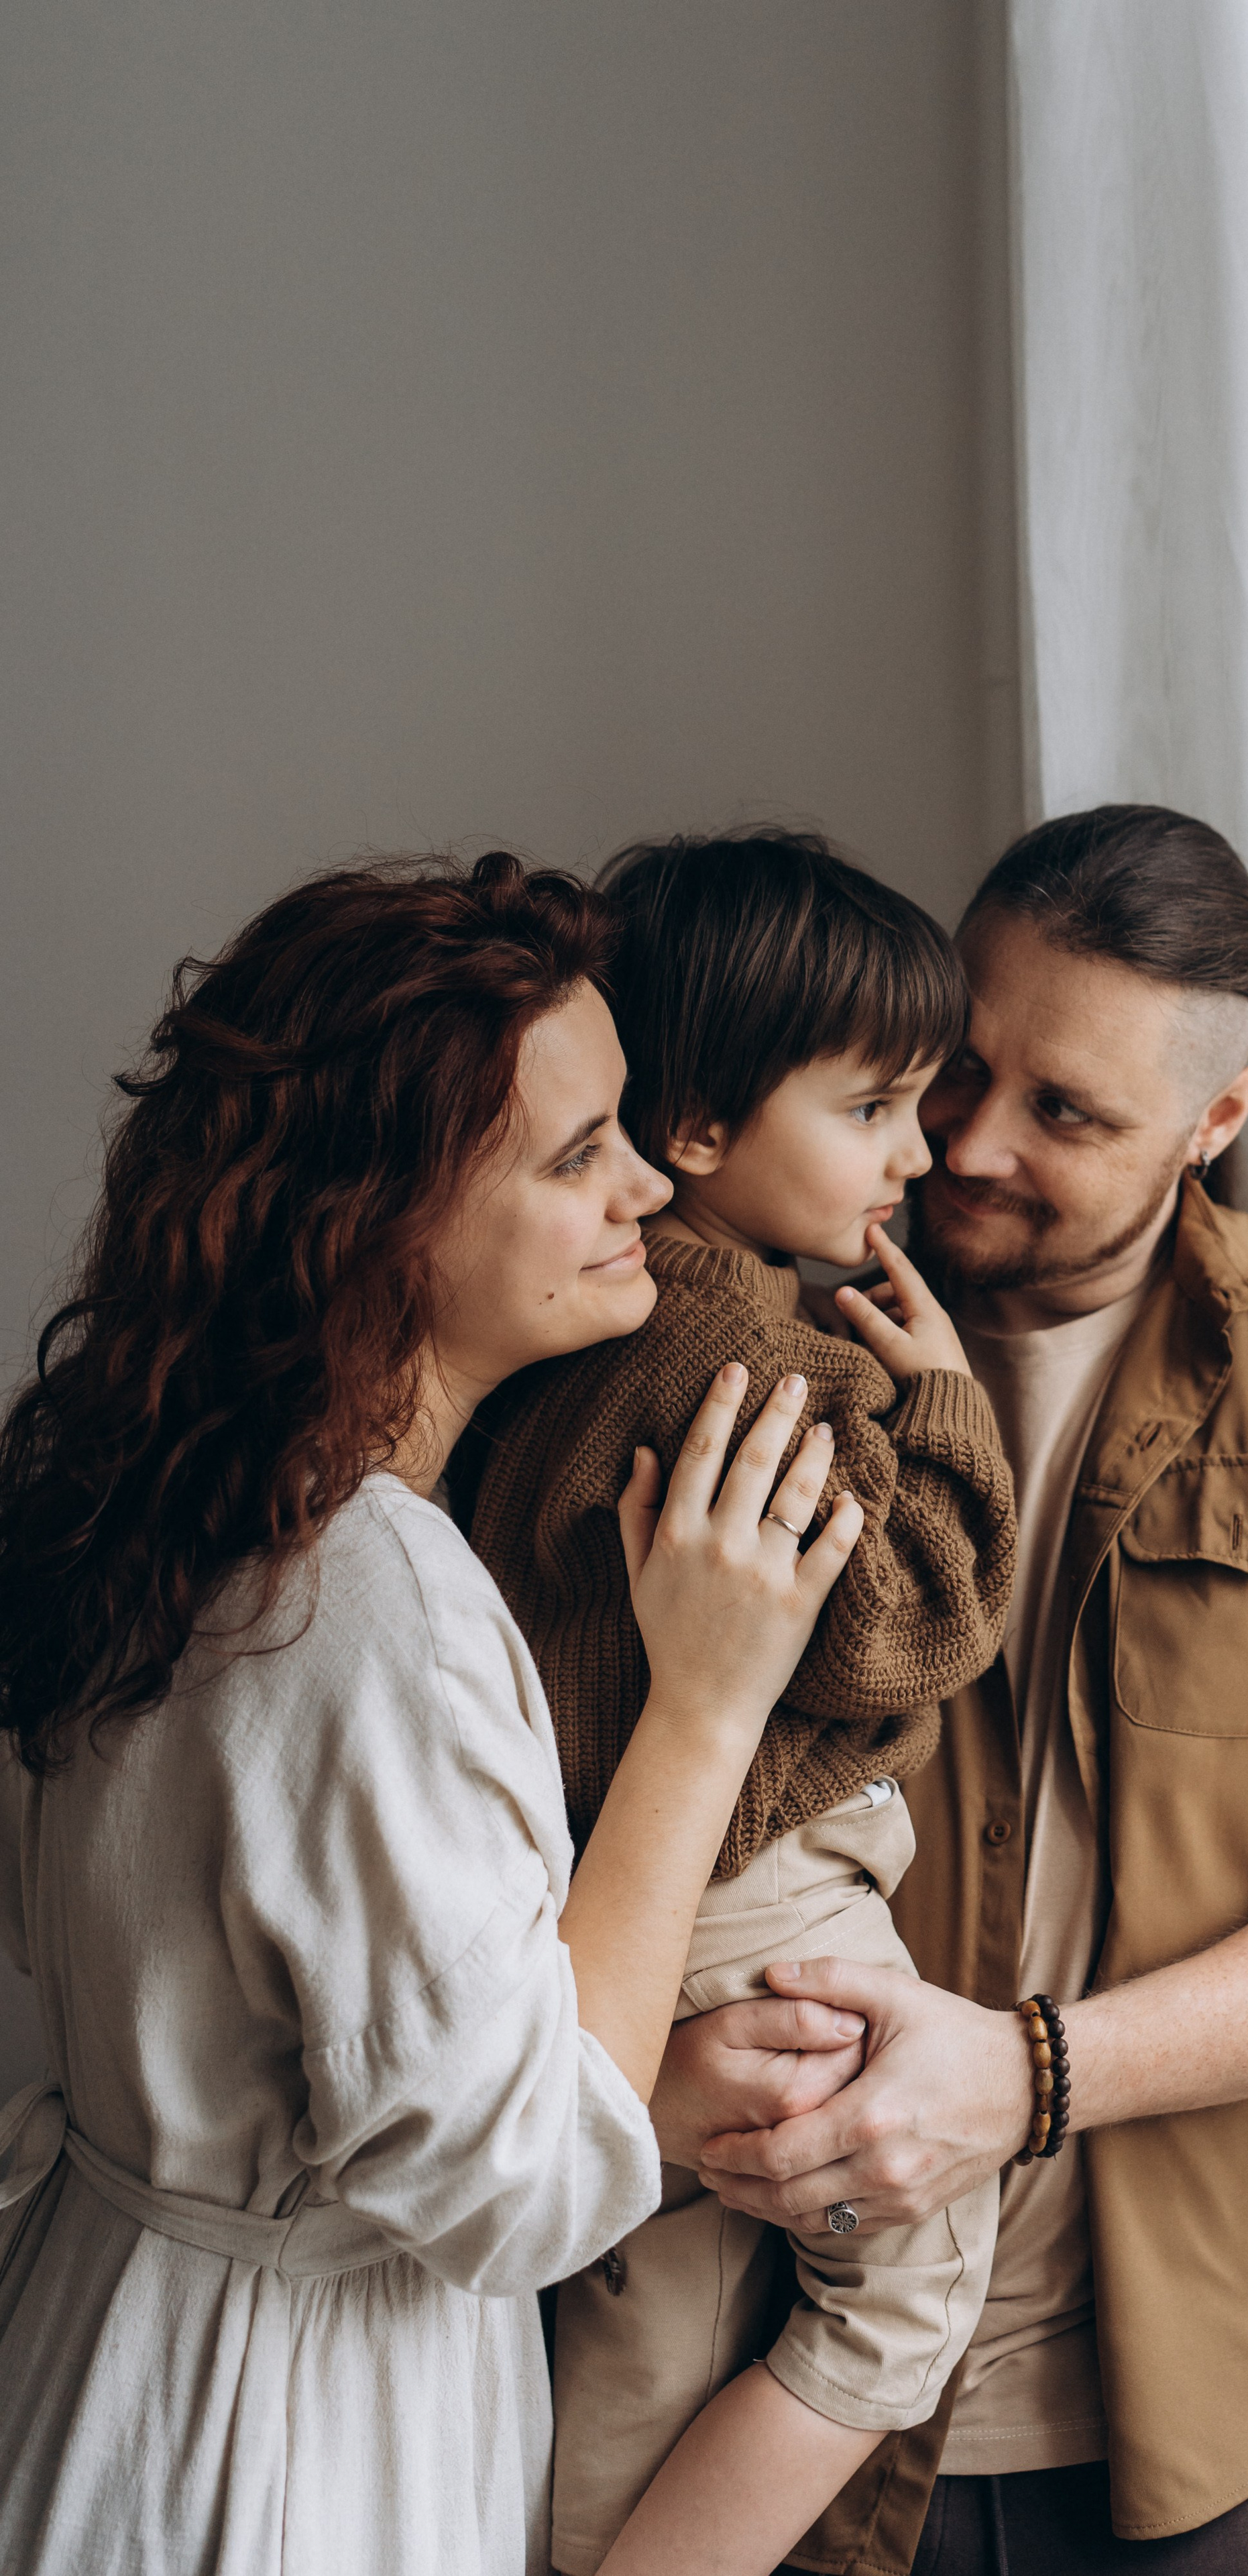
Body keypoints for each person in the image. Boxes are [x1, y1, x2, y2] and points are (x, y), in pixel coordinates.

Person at [655, 806, 1248, 2575]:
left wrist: (1030, 2076)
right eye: (963, 1069)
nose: (972, 1144)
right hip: (750, 2379)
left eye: (1068, 1113)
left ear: (1222, 1120)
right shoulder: (734, 1339)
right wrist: (650, 2076)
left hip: (1197, 2422)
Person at [0, 852, 864, 2576]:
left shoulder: (144, 1485)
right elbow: (521, 2186)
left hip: (94, 2360)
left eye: (626, 1126)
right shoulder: (371, 1592)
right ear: (384, 1223)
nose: (645, 1190)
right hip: (276, 2457)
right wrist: (703, 1707)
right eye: (575, 1156)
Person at [460, 833, 1015, 2576]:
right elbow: (898, 1623)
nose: (919, 1153)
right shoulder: (749, 1367)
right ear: (698, 1133)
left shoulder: (612, 1328)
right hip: (733, 1883)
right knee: (908, 2281)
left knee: (662, 2282)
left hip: (636, 1876)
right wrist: (945, 1411)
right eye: (874, 1107)